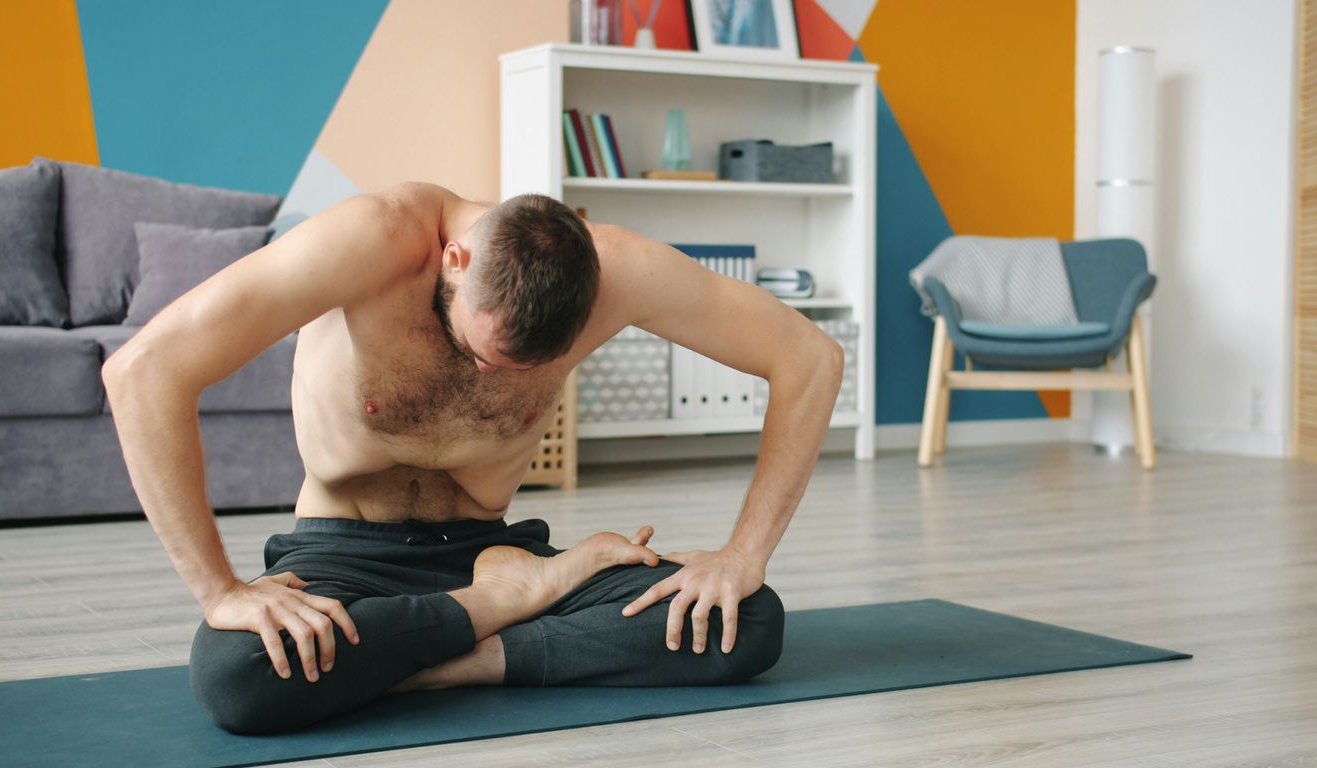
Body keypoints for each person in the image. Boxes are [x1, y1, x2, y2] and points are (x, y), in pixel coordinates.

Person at [103, 183, 844, 733]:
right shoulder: (372, 239)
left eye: (525, 372)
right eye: (482, 354)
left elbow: (808, 358)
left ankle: (440, 656)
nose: (492, 380)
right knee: (239, 676)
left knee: (745, 621)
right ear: (452, 262)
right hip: (345, 558)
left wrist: (745, 554)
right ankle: (498, 613)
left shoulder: (621, 270)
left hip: (494, 549)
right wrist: (221, 592)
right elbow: (142, 371)